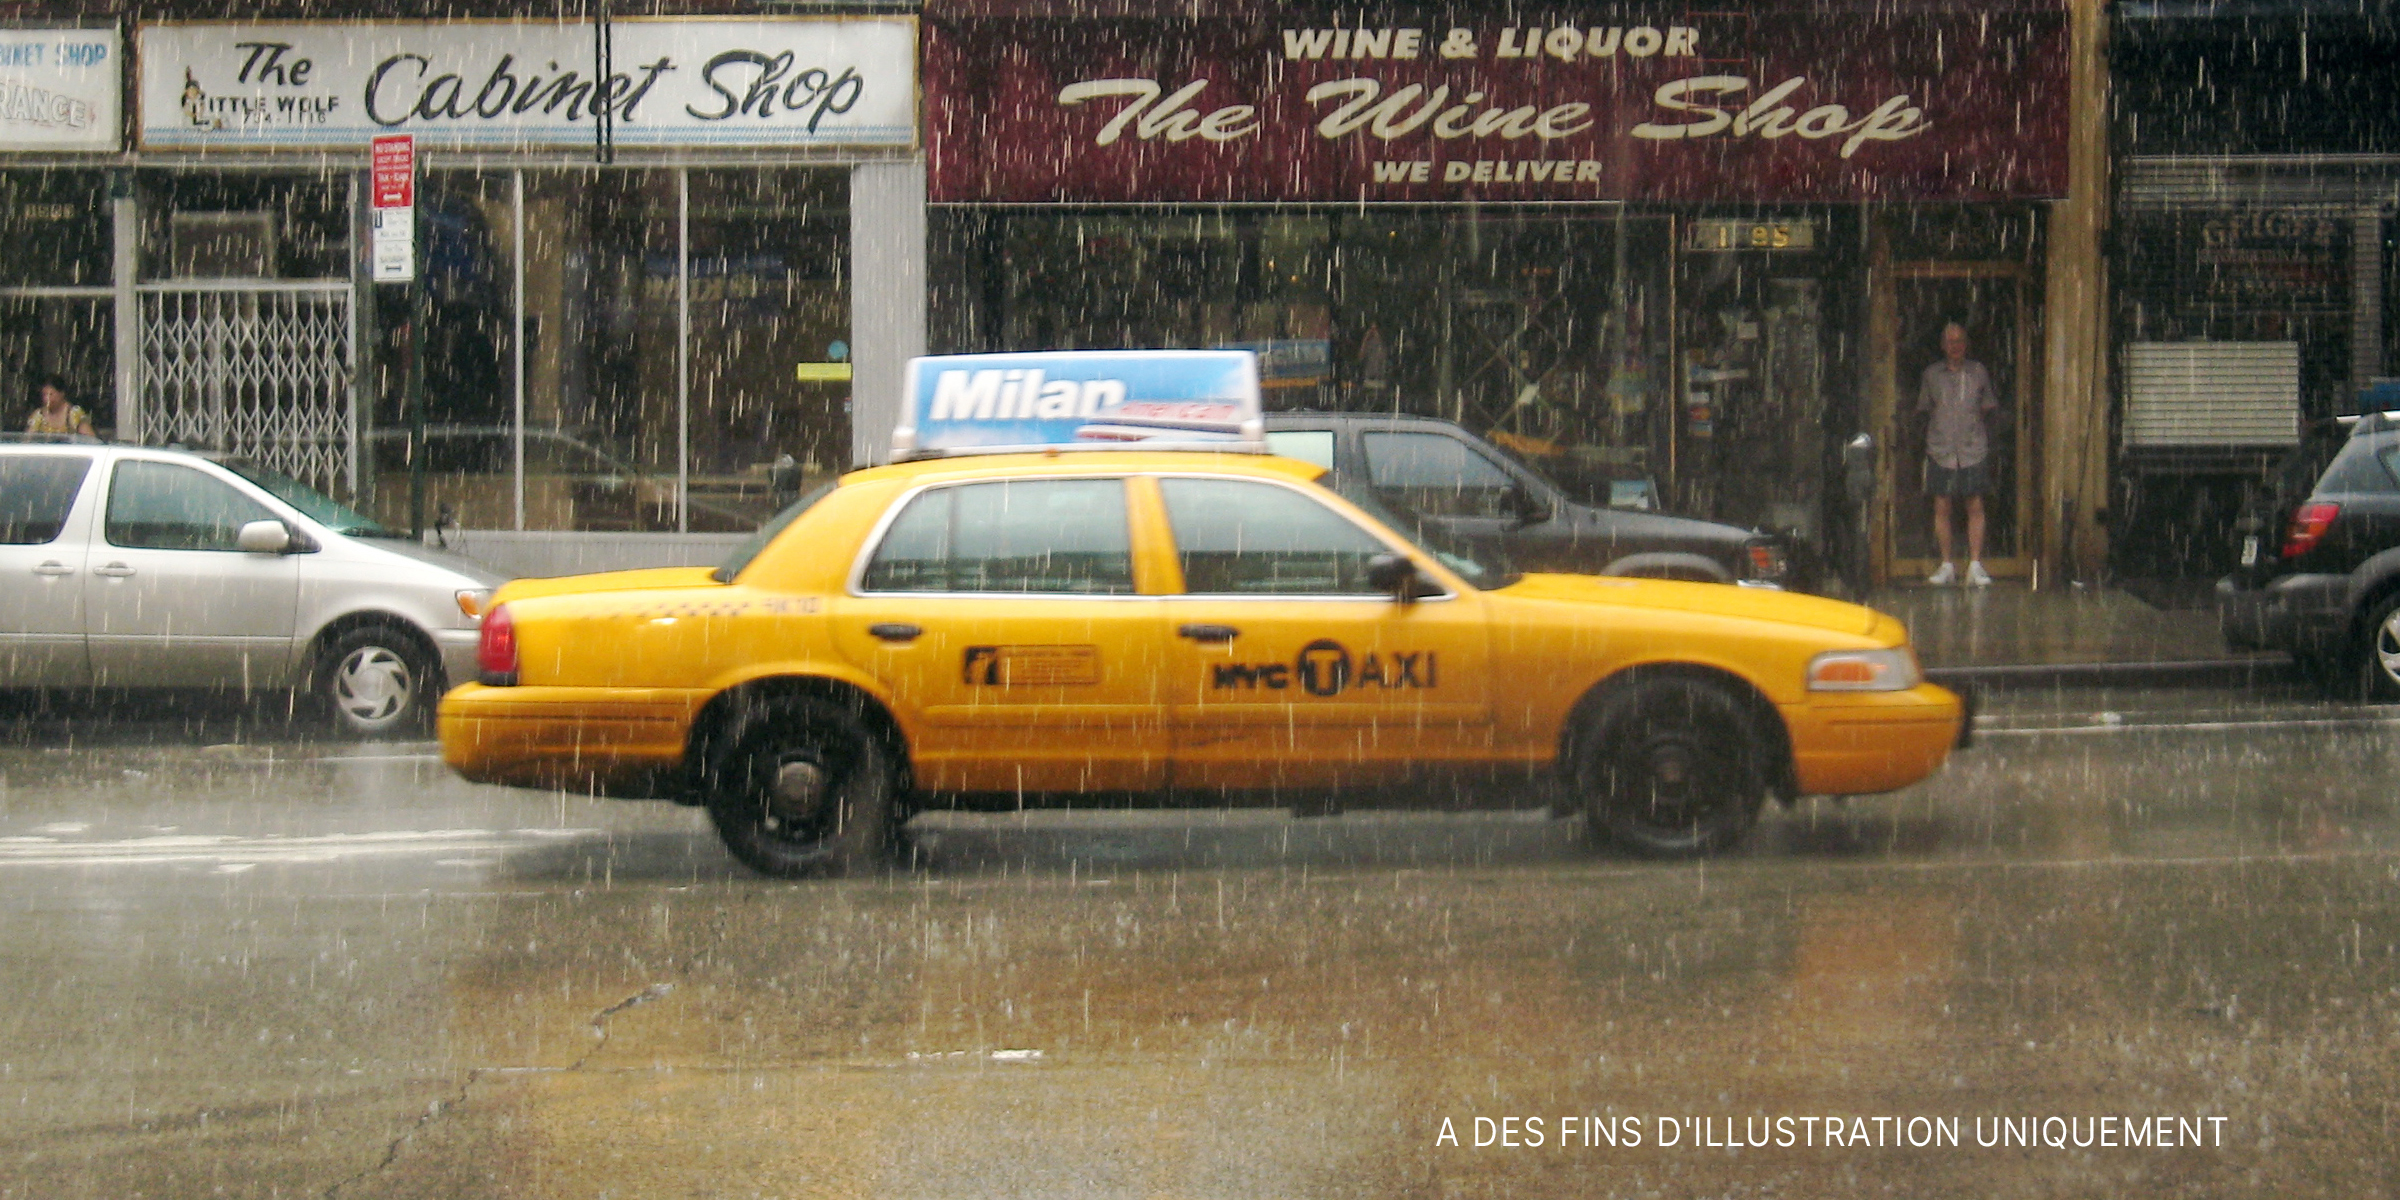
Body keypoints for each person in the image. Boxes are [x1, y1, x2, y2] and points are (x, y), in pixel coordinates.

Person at [1919, 322, 2000, 586]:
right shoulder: (1931, 375)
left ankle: (1975, 565)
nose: (1955, 347)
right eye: (1950, 342)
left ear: (1966, 344)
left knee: (1974, 504)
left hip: (1972, 447)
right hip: (1941, 447)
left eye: (1960, 341)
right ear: (1943, 345)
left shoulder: (1978, 372)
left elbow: (1987, 406)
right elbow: (1925, 408)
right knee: (1942, 505)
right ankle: (1947, 564)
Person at [24, 374, 96, 439]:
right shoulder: (38, 415)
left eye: (51, 395)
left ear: (62, 393)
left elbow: (90, 439)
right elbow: (27, 439)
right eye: (44, 395)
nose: (47, 399)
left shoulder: (75, 414)